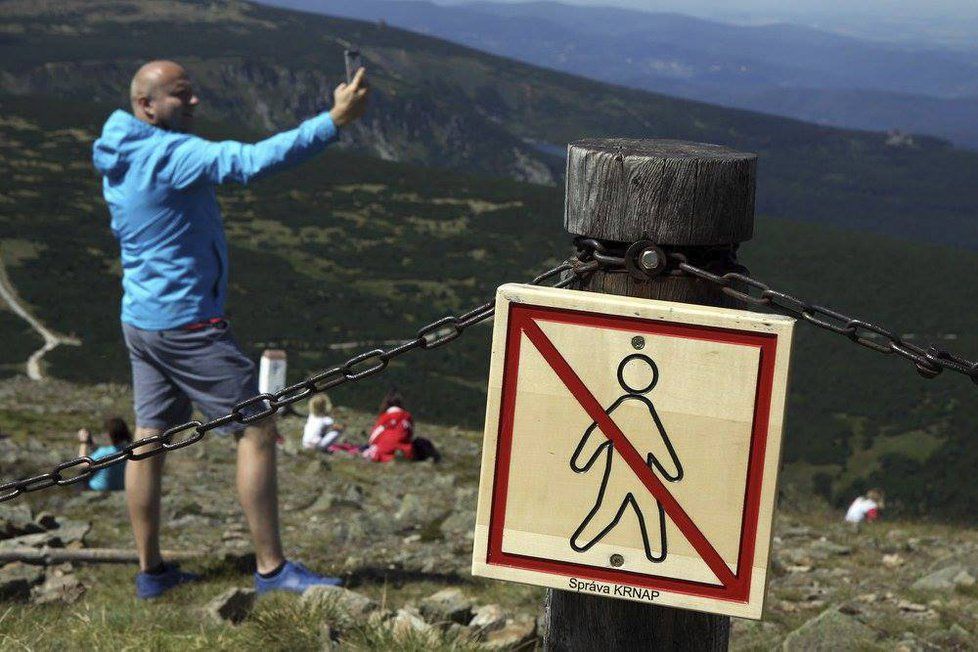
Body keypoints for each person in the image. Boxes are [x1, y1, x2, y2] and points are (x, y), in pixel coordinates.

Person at [91, 59, 369, 599]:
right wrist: (334, 121)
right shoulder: (171, 155)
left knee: (150, 438)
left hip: (141, 321)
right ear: (147, 106)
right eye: (180, 95)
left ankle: (151, 573)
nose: (194, 102)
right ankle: (271, 570)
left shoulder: (118, 150)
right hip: (187, 323)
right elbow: (250, 162)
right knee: (257, 427)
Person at [76, 417, 133, 492]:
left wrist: (83, 442)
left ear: (110, 434)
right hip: (122, 486)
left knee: (81, 476)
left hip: (99, 488)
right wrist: (90, 443)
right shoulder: (129, 449)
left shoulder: (104, 452)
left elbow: (82, 463)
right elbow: (100, 455)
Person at [362, 388, 415, 462]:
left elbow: (374, 435)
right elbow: (410, 434)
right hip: (404, 449)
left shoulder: (385, 417)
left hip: (384, 449)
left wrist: (370, 444)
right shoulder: (408, 416)